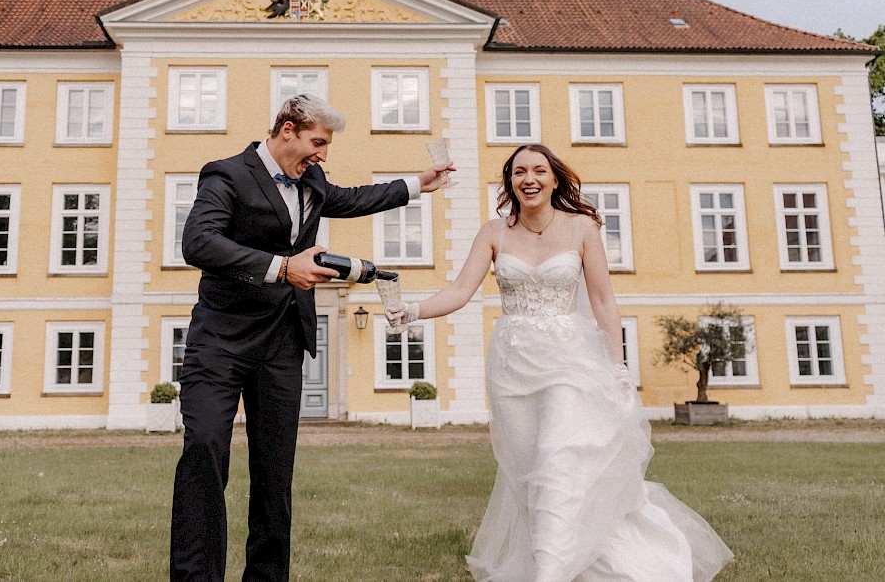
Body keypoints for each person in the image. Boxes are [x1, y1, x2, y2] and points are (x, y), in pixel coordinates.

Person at [386, 144, 733, 581]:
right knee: (531, 475)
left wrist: (618, 367)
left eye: (538, 171)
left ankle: (548, 575)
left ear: (554, 179)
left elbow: (604, 301)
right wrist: (413, 311)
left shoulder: (581, 228)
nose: (528, 179)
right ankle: (565, 559)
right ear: (509, 182)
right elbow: (459, 292)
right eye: (518, 172)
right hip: (512, 367)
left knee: (557, 459)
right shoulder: (494, 233)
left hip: (570, 363)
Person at [170, 94, 453, 582]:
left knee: (275, 474)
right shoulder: (225, 174)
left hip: (282, 342)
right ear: (286, 130)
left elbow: (350, 198)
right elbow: (199, 241)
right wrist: (282, 267)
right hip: (220, 341)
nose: (322, 154)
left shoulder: (312, 179)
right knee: (204, 454)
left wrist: (414, 185)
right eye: (317, 142)